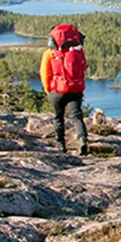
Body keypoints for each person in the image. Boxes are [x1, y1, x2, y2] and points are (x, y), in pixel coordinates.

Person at [40, 23, 89, 155]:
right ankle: (83, 140)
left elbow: (45, 74)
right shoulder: (77, 52)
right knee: (77, 116)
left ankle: (60, 145)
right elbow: (84, 67)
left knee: (58, 117)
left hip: (57, 90)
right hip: (75, 89)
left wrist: (48, 90)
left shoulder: (49, 53)